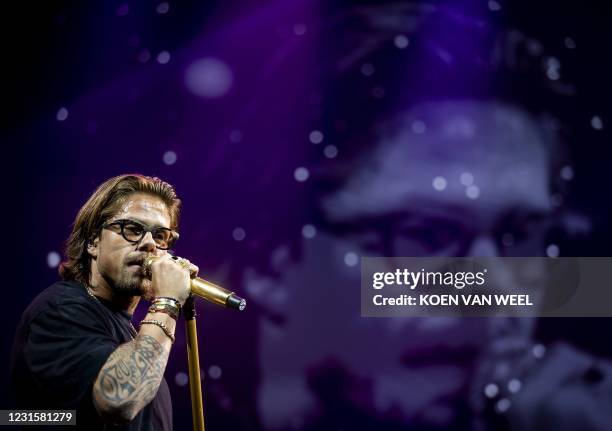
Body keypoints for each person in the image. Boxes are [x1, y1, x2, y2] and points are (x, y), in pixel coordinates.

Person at [10, 174, 196, 430]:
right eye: (132, 229)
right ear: (92, 242)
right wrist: (167, 302)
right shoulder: (59, 310)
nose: (150, 245)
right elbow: (119, 399)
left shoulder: (134, 335)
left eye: (161, 235)